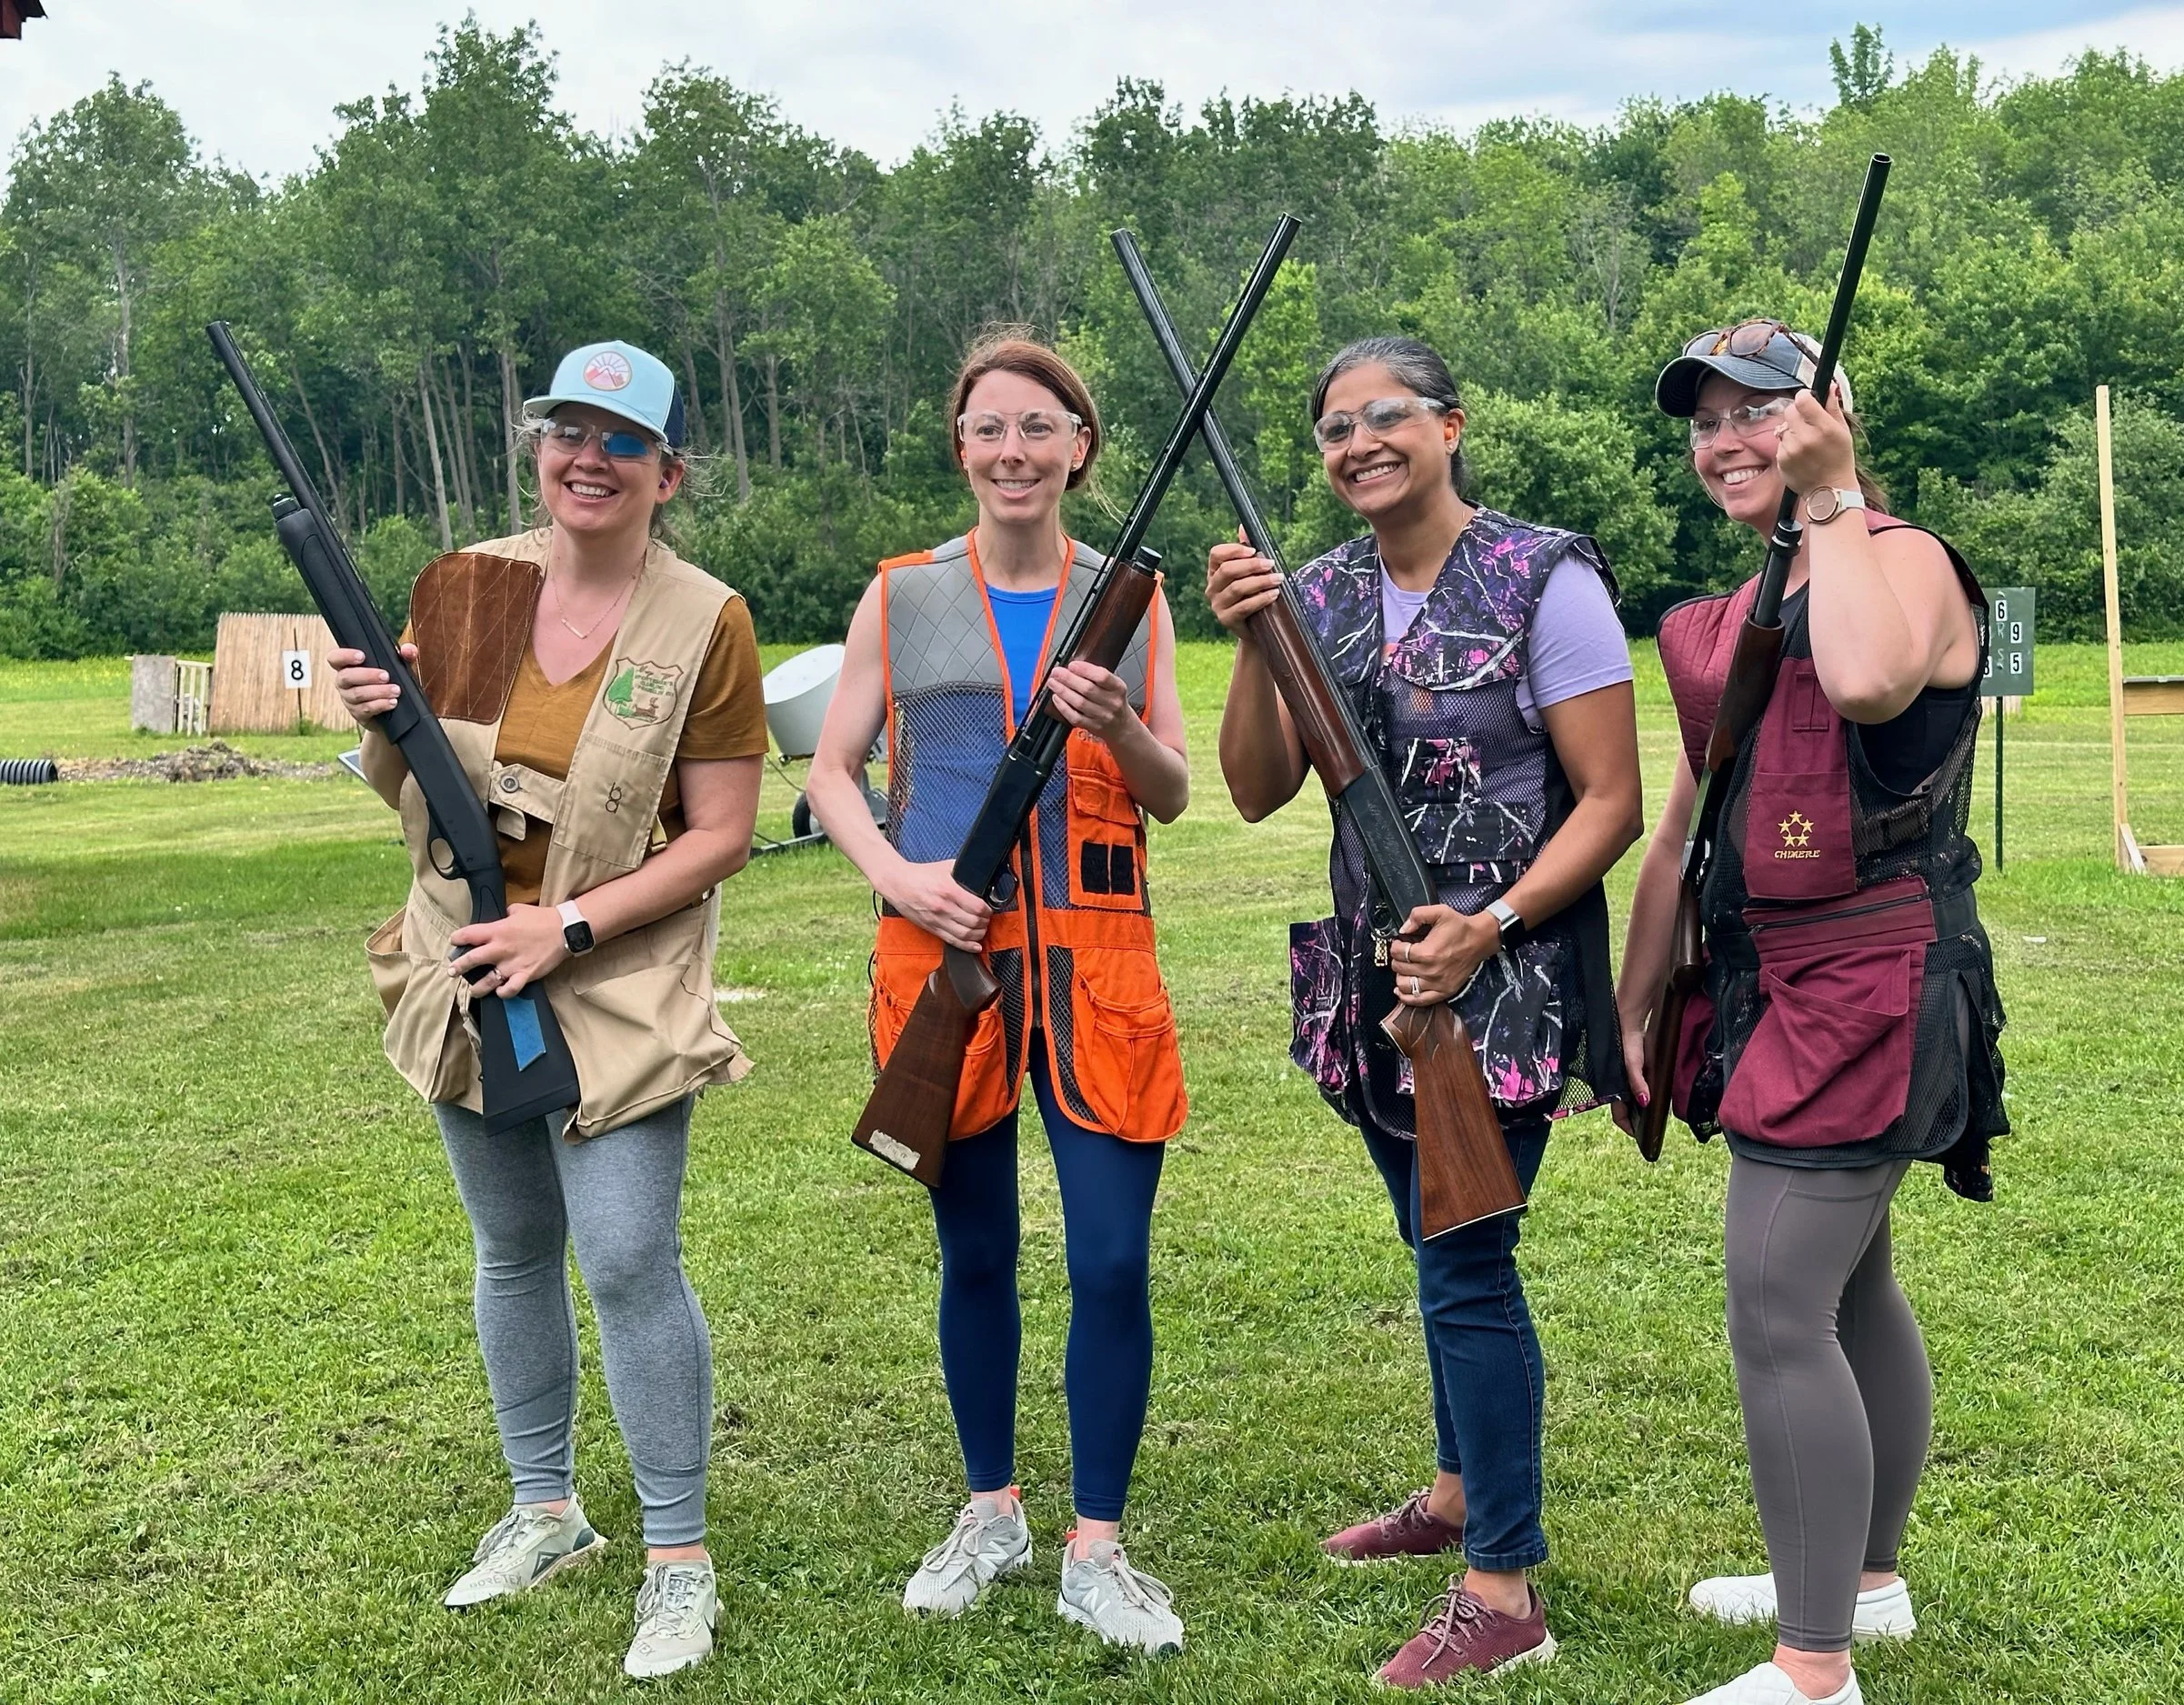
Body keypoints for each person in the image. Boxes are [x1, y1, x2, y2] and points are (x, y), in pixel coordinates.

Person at [1206, 336, 1642, 1688]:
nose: (1358, 444)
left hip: (1504, 982)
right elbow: (1255, 786)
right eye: (1334, 428)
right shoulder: (1320, 591)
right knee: (1428, 1240)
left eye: (1384, 416)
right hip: (1373, 983)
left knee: (1466, 1266)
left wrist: (1490, 925)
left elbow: (1612, 801)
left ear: (1452, 424)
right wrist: (1252, 639)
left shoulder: (1544, 579)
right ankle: (1457, 1490)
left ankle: (1503, 1586)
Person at [329, 340, 764, 1680]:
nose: (588, 456)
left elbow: (722, 835)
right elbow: (403, 789)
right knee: (512, 1245)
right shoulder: (466, 582)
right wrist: (376, 723)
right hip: (465, 966)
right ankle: (545, 1508)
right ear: (538, 449)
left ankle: (678, 1561)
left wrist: (567, 925)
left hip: (611, 976)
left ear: (666, 473)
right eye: (565, 430)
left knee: (627, 1256)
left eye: (620, 440)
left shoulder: (709, 620)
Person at [1614, 321, 2009, 1705]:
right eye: (1705, 420)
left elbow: (1867, 682)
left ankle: (1814, 1665)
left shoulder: (1893, 556)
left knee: (1780, 1299)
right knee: (1851, 1286)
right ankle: (1863, 1583)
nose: (1726, 439)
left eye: (1757, 412)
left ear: (1826, 415)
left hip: (1875, 977)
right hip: (1780, 980)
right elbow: (1685, 822)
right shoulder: (1753, 592)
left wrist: (1834, 497)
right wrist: (1637, 993)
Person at [805, 333, 1192, 1656]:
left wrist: (1117, 723)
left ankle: (1100, 1543)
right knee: (973, 1253)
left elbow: (1174, 788)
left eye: (1041, 428)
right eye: (991, 429)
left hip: (1097, 958)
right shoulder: (901, 595)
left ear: (1080, 449)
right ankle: (991, 1510)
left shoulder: (1128, 600)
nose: (1015, 452)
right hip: (949, 956)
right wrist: (902, 881)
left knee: (1110, 1257)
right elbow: (833, 773)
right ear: (960, 446)